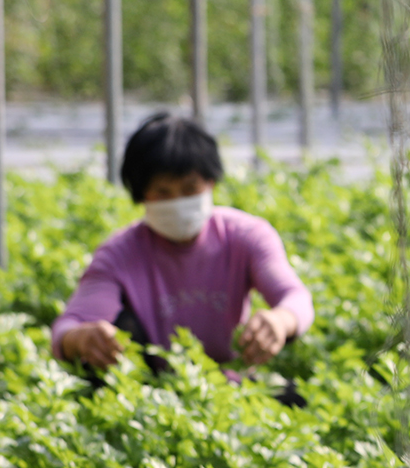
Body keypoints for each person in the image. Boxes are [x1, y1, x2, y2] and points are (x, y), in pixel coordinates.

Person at [50, 111, 313, 382]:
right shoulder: (120, 254)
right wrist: (79, 339)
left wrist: (281, 320)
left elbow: (295, 297)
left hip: (231, 386)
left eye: (189, 189)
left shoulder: (246, 236)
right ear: (141, 195)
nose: (177, 201)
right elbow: (68, 325)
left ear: (210, 183)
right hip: (151, 389)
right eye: (163, 192)